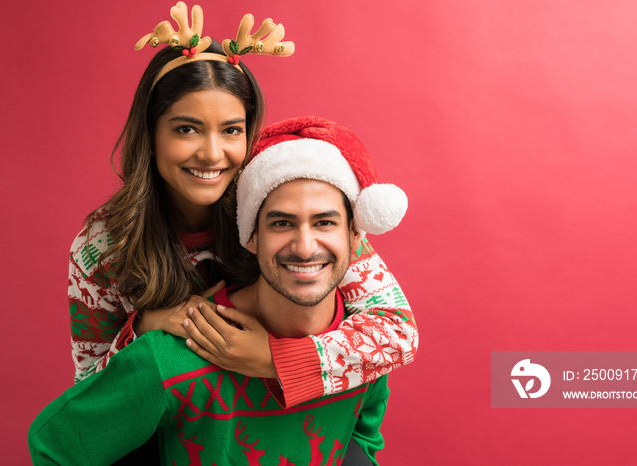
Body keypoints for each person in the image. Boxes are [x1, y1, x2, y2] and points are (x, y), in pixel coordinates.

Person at [69, 1, 418, 411]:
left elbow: (397, 331)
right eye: (187, 129)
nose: (212, 153)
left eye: (232, 130)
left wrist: (273, 360)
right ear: (151, 133)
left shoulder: (283, 202)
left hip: (282, 420)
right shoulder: (104, 244)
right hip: (169, 433)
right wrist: (145, 326)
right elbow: (88, 394)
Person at [30, 116, 400, 465]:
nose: (305, 246)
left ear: (355, 236)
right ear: (251, 237)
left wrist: (280, 360)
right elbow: (55, 447)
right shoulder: (168, 360)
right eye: (282, 222)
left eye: (324, 222)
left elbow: (362, 440)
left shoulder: (362, 350)